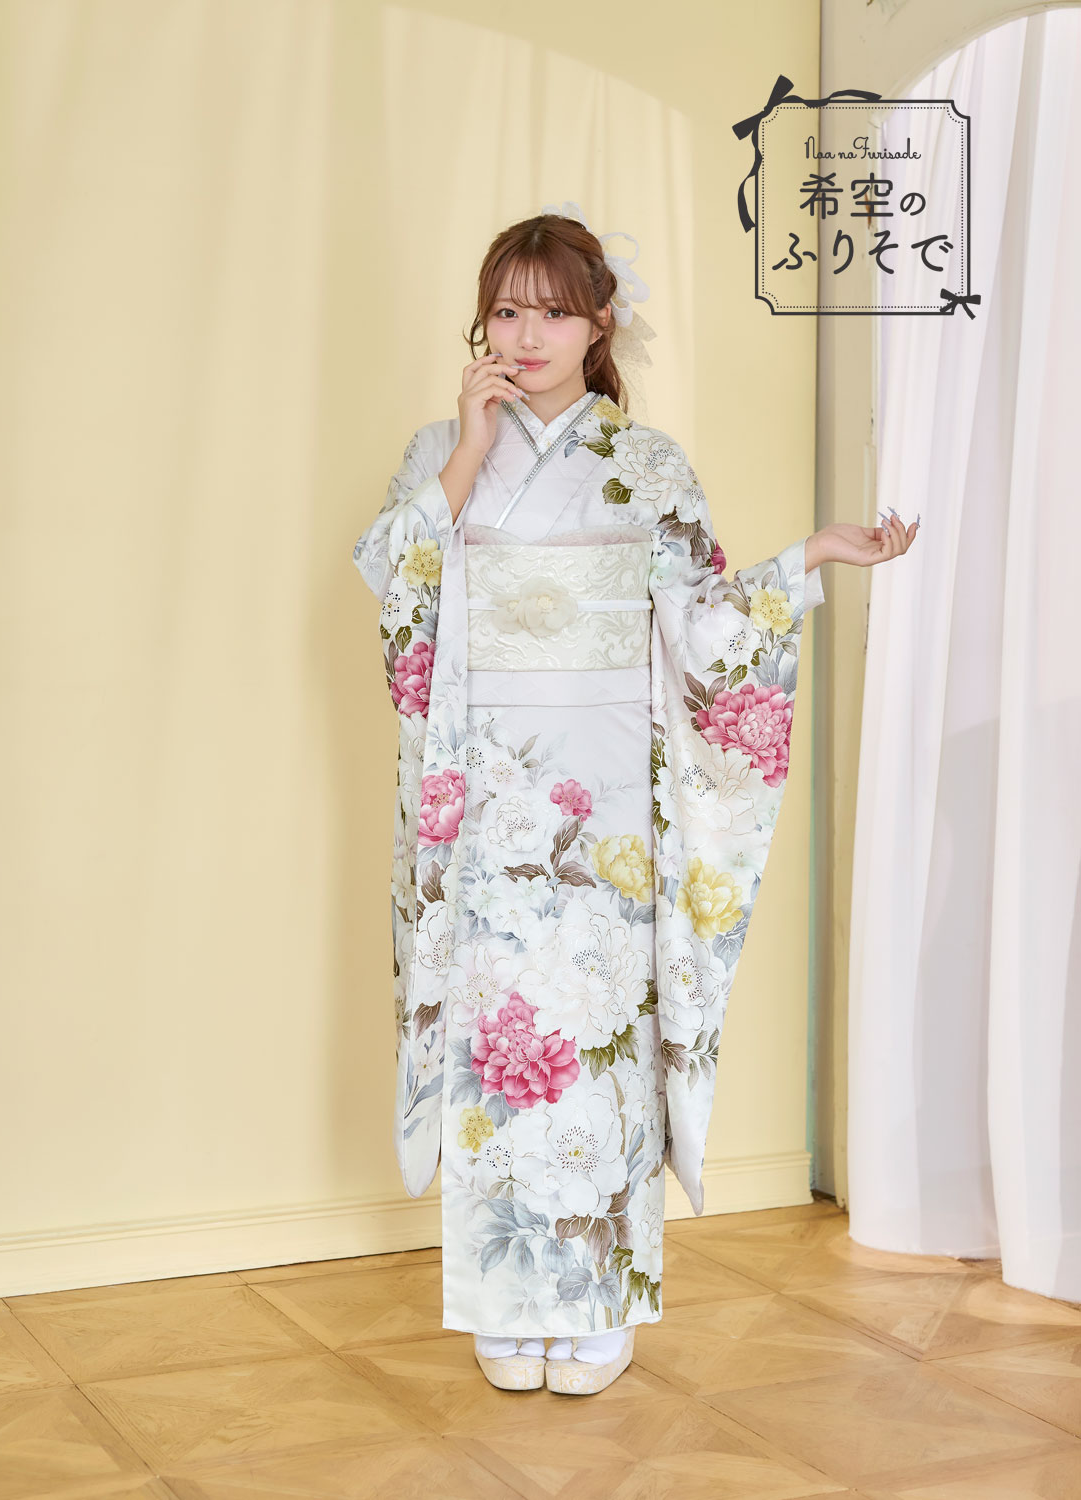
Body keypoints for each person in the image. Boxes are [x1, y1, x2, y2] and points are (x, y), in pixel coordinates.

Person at [353, 206, 918, 1396]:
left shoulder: (645, 463)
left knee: (594, 1034)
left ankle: (597, 1299)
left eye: (553, 311)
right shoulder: (439, 449)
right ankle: (508, 1304)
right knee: (500, 1045)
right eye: (506, 310)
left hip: (605, 796)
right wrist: (465, 447)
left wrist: (807, 559)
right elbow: (395, 588)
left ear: (599, 323)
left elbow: (701, 625)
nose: (527, 334)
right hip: (487, 787)